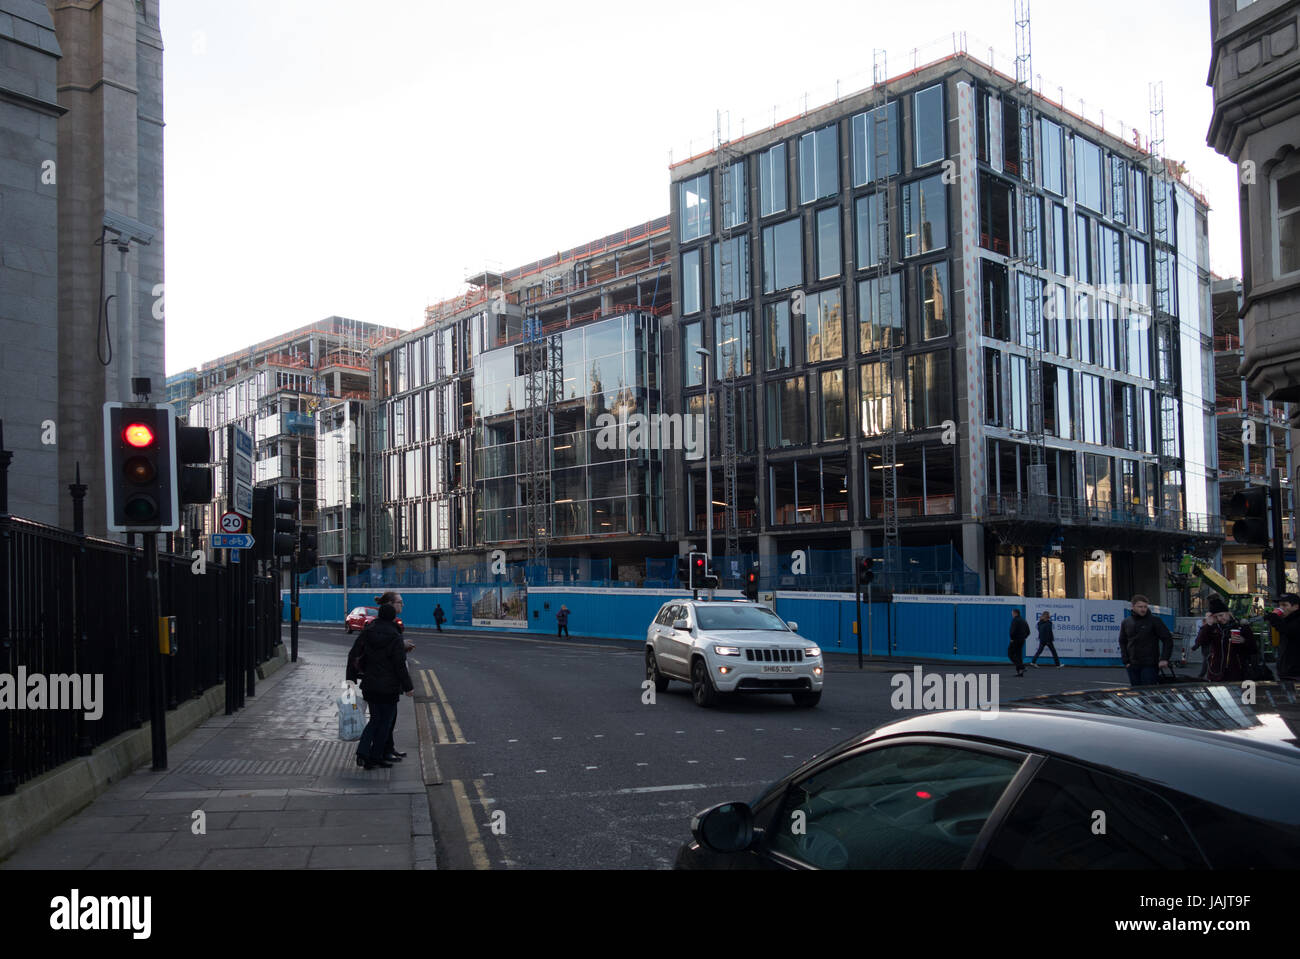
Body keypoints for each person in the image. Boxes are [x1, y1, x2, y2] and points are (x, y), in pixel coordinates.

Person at [355, 603, 413, 770]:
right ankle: (376, 756)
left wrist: (351, 677)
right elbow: (399, 665)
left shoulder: (368, 631)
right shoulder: (395, 636)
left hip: (370, 684)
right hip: (388, 686)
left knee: (374, 719)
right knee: (385, 722)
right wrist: (408, 686)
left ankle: (363, 751)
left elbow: (357, 653)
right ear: (393, 617)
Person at [1193, 596, 1257, 682]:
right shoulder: (1212, 628)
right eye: (1217, 617)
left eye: (1221, 615)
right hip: (1216, 672)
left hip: (1237, 671)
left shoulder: (1241, 626)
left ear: (1228, 613)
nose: (1220, 618)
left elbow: (1254, 648)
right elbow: (1199, 642)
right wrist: (1208, 625)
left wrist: (1244, 641)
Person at [1117, 593, 1172, 687]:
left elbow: (1167, 639)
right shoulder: (1126, 622)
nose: (1143, 609)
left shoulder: (1155, 621)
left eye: (1145, 607)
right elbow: (1122, 641)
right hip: (1132, 664)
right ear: (1133, 606)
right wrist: (1126, 661)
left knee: (1148, 692)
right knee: (1136, 692)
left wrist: (1164, 659)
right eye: (1140, 607)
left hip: (1150, 664)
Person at [1265, 593, 1300, 680]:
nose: (1280, 608)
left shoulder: (1297, 620)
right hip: (1286, 671)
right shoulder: (1286, 620)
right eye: (1279, 605)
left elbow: (1288, 630)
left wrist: (1274, 618)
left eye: (1284, 605)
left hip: (1295, 672)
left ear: (1295, 607)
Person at [1008, 608, 1029, 677]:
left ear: (1015, 613)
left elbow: (1012, 631)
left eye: (1012, 613)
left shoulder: (1015, 620)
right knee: (1019, 655)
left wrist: (1012, 639)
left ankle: (1022, 667)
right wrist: (1023, 637)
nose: (1012, 614)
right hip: (1022, 640)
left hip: (1015, 640)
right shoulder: (1023, 620)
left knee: (1010, 654)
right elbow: (1028, 631)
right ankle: (1020, 672)